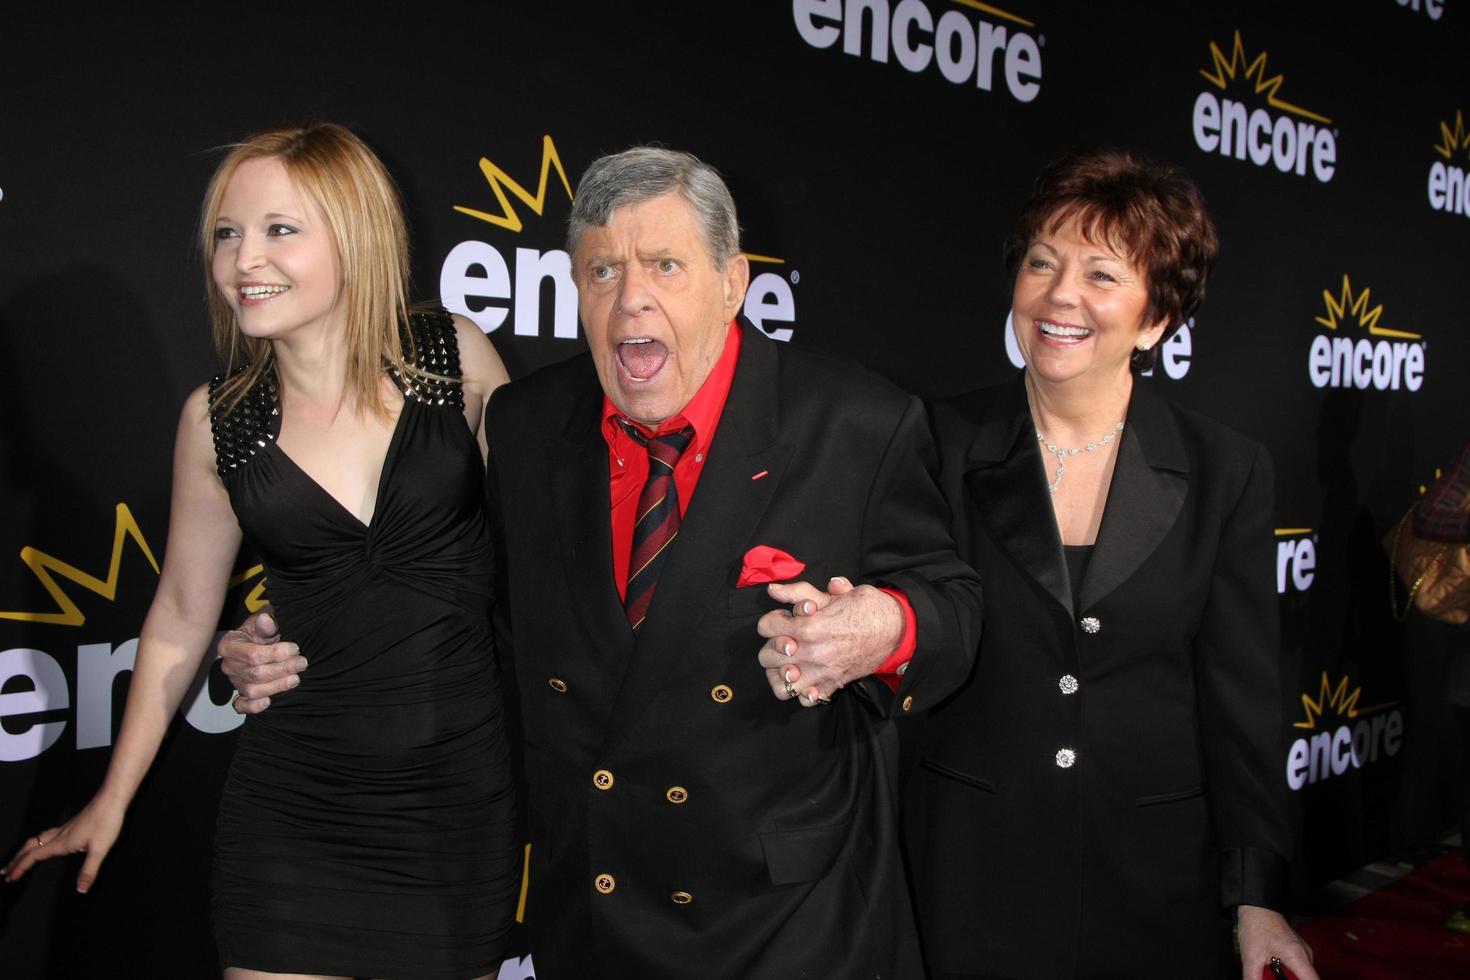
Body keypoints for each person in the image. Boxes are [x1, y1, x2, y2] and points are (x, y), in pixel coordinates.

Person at [221, 145, 983, 978]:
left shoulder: (856, 422)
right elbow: (461, 604)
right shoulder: (525, 423)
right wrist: (271, 643)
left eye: (665, 265)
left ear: (733, 285)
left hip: (786, 918)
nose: (632, 301)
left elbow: (952, 603)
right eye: (602, 270)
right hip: (597, 912)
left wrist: (886, 624)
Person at [5, 123, 518, 980]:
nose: (245, 260)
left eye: (281, 229)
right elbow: (176, 615)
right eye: (227, 233)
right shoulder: (219, 423)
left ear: (356, 235)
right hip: (295, 808)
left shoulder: (450, 361)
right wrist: (111, 799)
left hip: (455, 804)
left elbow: (544, 547)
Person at [903, 147, 1318, 980]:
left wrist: (1257, 895)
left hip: (1154, 877)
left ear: (1157, 318)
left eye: (1101, 275)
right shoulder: (932, 443)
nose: (1060, 295)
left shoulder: (1225, 469)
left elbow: (1239, 701)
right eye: (1042, 263)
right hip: (966, 871)